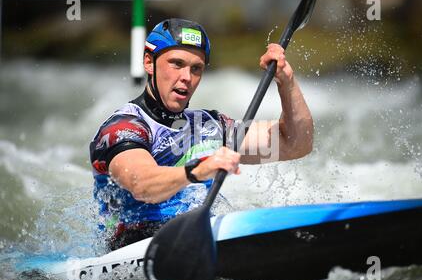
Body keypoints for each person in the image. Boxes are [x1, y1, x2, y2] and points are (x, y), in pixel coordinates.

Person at [89, 18, 313, 251]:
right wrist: (197, 170)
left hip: (201, 240)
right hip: (137, 249)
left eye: (196, 68)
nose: (187, 76)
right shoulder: (124, 127)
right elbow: (142, 184)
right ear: (149, 62)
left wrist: (286, 82)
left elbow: (295, 144)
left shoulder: (210, 126)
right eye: (176, 64)